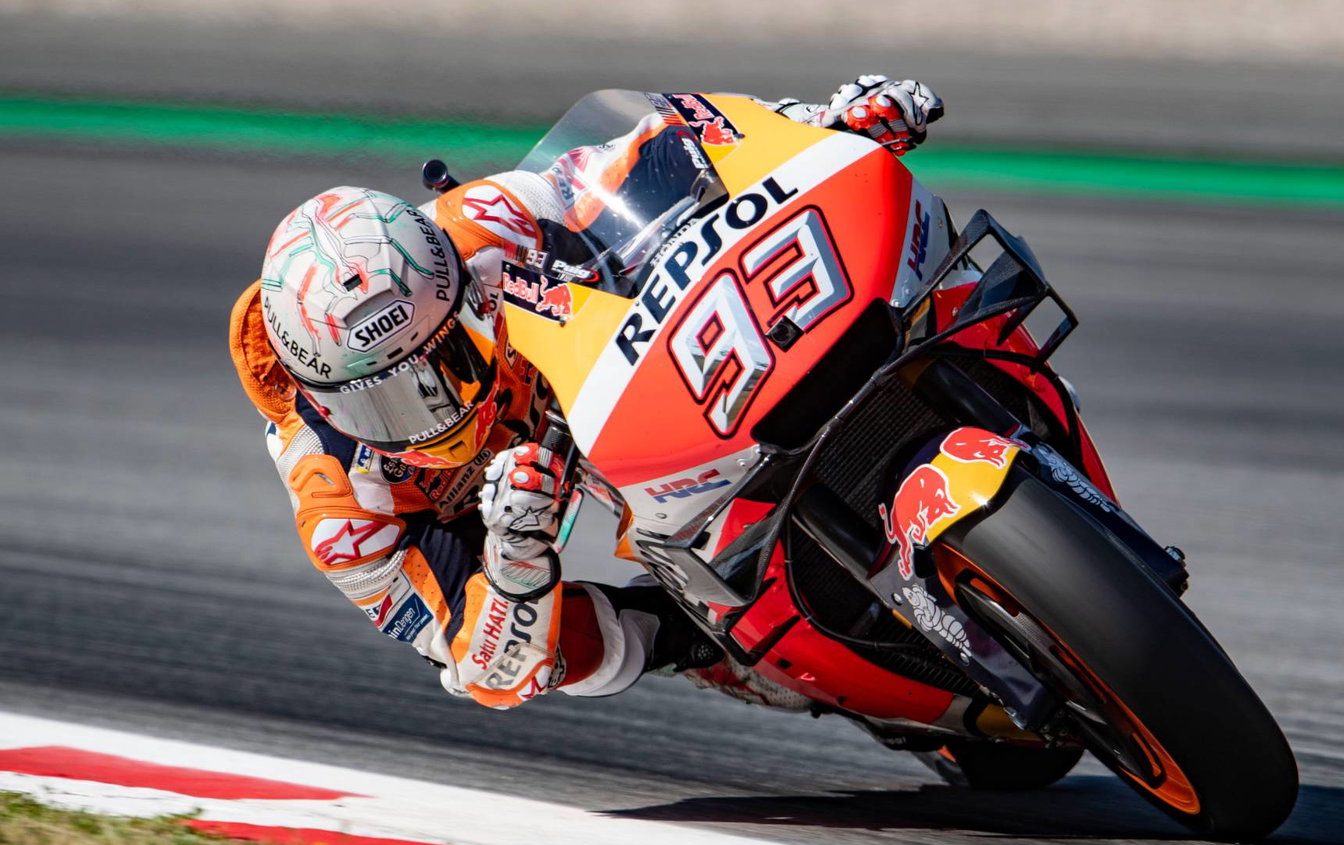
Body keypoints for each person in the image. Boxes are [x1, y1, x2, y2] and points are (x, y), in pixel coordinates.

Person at [228, 77, 944, 709]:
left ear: (460, 297)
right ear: (319, 395)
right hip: (507, 516)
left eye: (444, 363)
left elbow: (662, 149)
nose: (428, 415)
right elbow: (482, 670)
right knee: (554, 656)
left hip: (606, 382)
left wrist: (817, 123)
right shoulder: (338, 506)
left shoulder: (483, 225)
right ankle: (704, 644)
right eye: (379, 404)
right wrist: (514, 555)